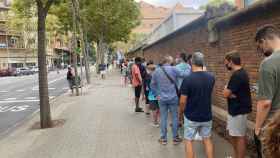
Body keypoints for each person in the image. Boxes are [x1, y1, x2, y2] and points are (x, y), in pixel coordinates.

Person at [179, 52, 215, 158]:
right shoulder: (211, 77)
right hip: (206, 115)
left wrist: (180, 113)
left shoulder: (187, 79)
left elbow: (182, 101)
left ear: (191, 62)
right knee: (207, 139)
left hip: (191, 116)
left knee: (188, 140)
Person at [254, 24, 280, 158]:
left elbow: (265, 103)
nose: (261, 51)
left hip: (274, 129)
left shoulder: (268, 63)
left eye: (260, 47)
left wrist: (257, 129)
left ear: (264, 41)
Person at [223, 51, 252, 158]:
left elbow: (226, 93)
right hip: (236, 110)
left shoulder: (237, 75)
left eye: (226, 63)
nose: (226, 65)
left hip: (238, 111)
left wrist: (227, 90)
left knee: (239, 137)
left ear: (231, 61)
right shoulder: (240, 73)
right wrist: (229, 92)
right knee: (235, 136)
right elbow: (229, 93)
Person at [151, 55, 182, 145]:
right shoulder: (174, 69)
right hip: (173, 98)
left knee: (163, 118)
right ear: (169, 61)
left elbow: (152, 85)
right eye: (172, 61)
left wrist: (157, 94)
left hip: (162, 98)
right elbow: (184, 75)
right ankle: (175, 138)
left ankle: (163, 139)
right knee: (175, 118)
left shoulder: (157, 71)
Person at [146, 62, 160, 127]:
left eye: (148, 70)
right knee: (157, 109)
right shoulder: (158, 76)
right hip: (159, 95)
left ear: (150, 70)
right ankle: (157, 121)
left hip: (152, 96)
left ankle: (155, 122)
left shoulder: (149, 77)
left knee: (154, 110)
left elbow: (149, 87)